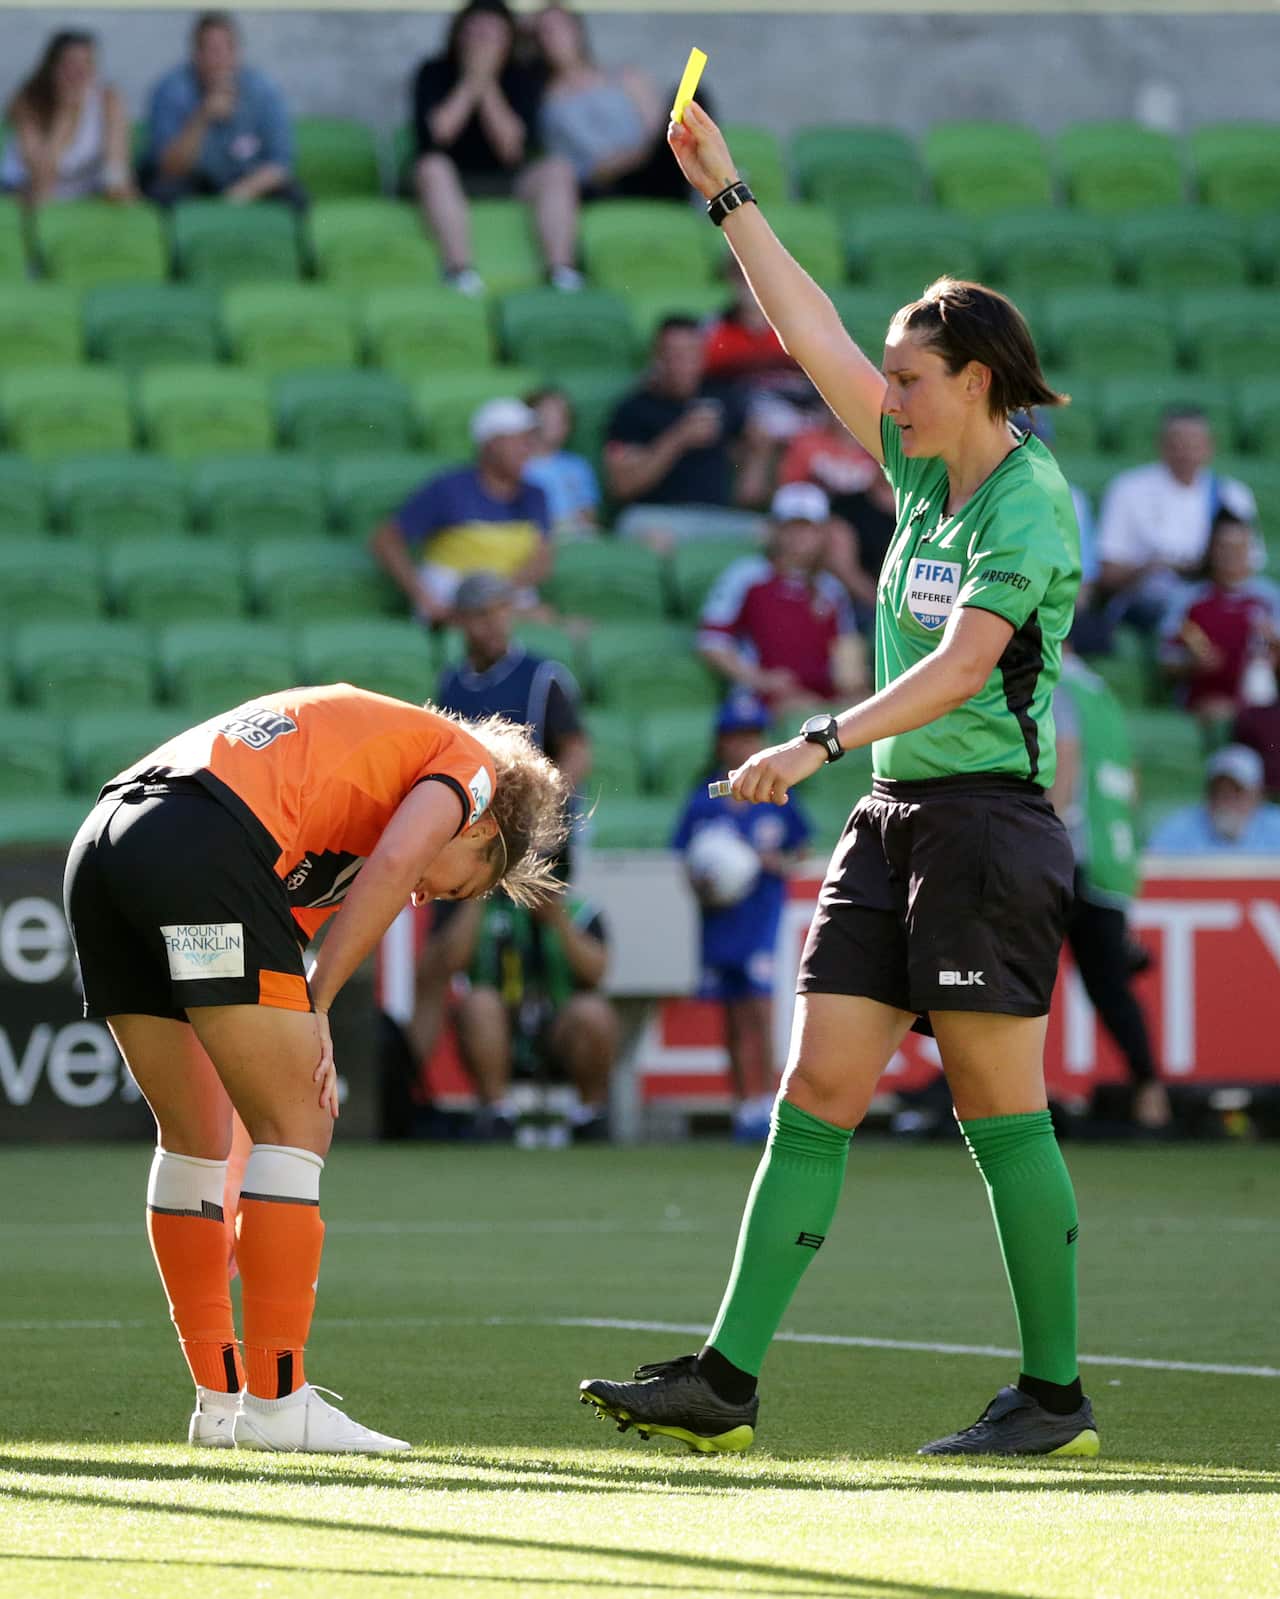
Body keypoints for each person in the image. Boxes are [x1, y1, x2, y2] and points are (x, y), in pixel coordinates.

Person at [579, 103, 1091, 1461]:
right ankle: (726, 1380)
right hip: (895, 821)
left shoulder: (1027, 504)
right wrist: (726, 190)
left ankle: (1054, 1396)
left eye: (912, 377)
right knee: (816, 1091)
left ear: (977, 378)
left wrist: (818, 738)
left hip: (985, 824)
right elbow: (809, 330)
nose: (888, 392)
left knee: (998, 1109)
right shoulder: (923, 472)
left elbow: (970, 667)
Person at [63, 685, 570, 1453]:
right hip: (201, 834)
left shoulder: (328, 824)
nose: (427, 895)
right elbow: (401, 860)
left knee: (197, 1136)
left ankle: (221, 1406)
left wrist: (237, 1202)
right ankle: (280, 1405)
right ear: (485, 825)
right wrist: (320, 1001)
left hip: (107, 842)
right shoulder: (469, 771)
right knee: (301, 1116)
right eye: (463, 879)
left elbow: (249, 1061)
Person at [672, 693, 811, 1142]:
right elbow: (683, 858)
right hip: (719, 919)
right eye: (736, 737)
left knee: (759, 1005)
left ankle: (766, 1102)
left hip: (760, 915)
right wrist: (703, 881)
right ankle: (740, 1104)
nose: (745, 746)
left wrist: (774, 863)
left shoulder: (776, 793)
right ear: (721, 744)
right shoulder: (704, 801)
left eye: (753, 736)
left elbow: (801, 846)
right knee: (730, 1012)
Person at [1052, 647, 1170, 1131]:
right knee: (1108, 986)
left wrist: (1045, 835)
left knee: (1010, 976)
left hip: (1068, 854)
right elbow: (1132, 781)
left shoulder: (1055, 687)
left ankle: (1005, 1095)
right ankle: (1151, 1092)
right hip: (1109, 859)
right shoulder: (1103, 696)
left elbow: (1065, 758)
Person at [414, 887, 616, 1141]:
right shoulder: (474, 908)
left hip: (559, 1030)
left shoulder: (582, 910)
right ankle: (497, 1115)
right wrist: (479, 892)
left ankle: (590, 1117)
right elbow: (449, 962)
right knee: (479, 1003)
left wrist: (557, 919)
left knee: (593, 1012)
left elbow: (596, 972)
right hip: (498, 1027)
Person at [412, 0, 580, 295]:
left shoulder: (521, 76)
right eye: (474, 32)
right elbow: (438, 135)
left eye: (492, 34)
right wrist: (470, 81)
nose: (482, 42)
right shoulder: (433, 71)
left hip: (507, 177)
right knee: (432, 167)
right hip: (450, 177)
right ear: (458, 34)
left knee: (557, 169)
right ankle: (459, 271)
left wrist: (486, 83)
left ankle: (561, 272)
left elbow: (511, 148)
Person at [369, 398, 552, 621]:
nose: (528, 449)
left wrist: (500, 594)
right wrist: (424, 599)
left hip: (508, 602)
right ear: (490, 444)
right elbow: (385, 540)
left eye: (530, 440)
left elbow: (541, 558)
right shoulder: (449, 489)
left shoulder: (535, 495)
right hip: (454, 603)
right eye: (519, 440)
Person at [698, 481, 867, 717]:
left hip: (823, 700)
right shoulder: (746, 576)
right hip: (762, 700)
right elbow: (712, 641)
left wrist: (853, 688)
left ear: (822, 533)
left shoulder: (832, 589)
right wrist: (761, 680)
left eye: (808, 527)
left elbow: (846, 656)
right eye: (790, 527)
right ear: (775, 529)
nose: (799, 536)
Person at [604, 316, 775, 540]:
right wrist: (678, 438)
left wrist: (760, 454)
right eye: (673, 355)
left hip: (718, 517)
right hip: (657, 515)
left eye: (690, 354)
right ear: (657, 358)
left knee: (773, 537)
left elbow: (750, 496)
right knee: (645, 534)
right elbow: (622, 486)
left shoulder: (723, 398)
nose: (682, 364)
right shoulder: (633, 409)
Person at [1097, 407, 1256, 633]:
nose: (1186, 452)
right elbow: (1108, 574)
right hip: (1149, 596)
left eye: (1194, 443)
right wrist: (1151, 566)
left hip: (1214, 591)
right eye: (1178, 443)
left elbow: (1250, 564)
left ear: (1210, 446)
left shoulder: (1233, 494)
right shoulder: (1128, 488)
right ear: (1161, 445)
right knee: (1179, 601)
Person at [143, 11, 302, 207]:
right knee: (162, 192)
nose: (221, 59)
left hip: (246, 180)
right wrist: (202, 117)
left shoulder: (262, 91)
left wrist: (240, 193)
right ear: (196, 55)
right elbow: (169, 169)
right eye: (212, 50)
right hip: (193, 180)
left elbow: (280, 162)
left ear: (238, 52)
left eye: (228, 49)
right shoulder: (171, 90)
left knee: (295, 196)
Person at [1159, 509, 1280, 742]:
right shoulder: (1188, 600)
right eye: (1223, 547)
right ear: (1211, 550)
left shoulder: (1270, 600)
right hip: (1202, 703)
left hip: (1259, 707)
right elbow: (1166, 660)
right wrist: (1192, 663)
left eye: (1238, 547)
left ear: (1250, 550)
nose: (1230, 555)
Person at [777, 410, 896, 619]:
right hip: (869, 605)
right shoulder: (849, 506)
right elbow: (845, 569)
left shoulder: (929, 505)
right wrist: (888, 610)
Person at [1, 31, 135, 205]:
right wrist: (65, 116)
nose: (79, 73)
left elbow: (116, 174)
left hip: (85, 196)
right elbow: (40, 185)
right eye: (71, 64)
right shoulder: (28, 102)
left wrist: (118, 185)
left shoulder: (108, 100)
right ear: (52, 67)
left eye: (87, 63)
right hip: (23, 191)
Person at [703, 256, 818, 441]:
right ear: (730, 278)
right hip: (742, 414)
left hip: (801, 407)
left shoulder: (800, 328)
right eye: (741, 274)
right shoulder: (713, 328)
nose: (750, 281)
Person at [1147, 743, 1280, 853]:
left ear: (1257, 795)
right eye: (1218, 790)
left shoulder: (1275, 825)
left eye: (1237, 790)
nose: (1226, 798)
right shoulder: (1179, 828)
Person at [523, 386, 601, 535]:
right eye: (547, 414)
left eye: (562, 417)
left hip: (571, 533)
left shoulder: (578, 466)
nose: (554, 422)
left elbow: (589, 514)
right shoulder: (516, 465)